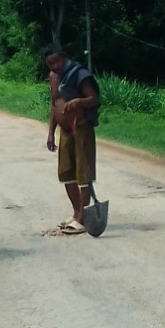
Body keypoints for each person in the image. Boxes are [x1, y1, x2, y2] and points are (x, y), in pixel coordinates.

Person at [43, 44, 101, 235]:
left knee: (83, 174)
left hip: (81, 128)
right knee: (66, 173)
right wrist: (51, 133)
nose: (55, 67)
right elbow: (54, 106)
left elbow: (94, 99)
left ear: (63, 58)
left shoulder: (78, 73)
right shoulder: (53, 78)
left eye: (57, 62)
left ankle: (82, 218)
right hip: (65, 131)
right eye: (50, 64)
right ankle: (76, 213)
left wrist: (79, 101)